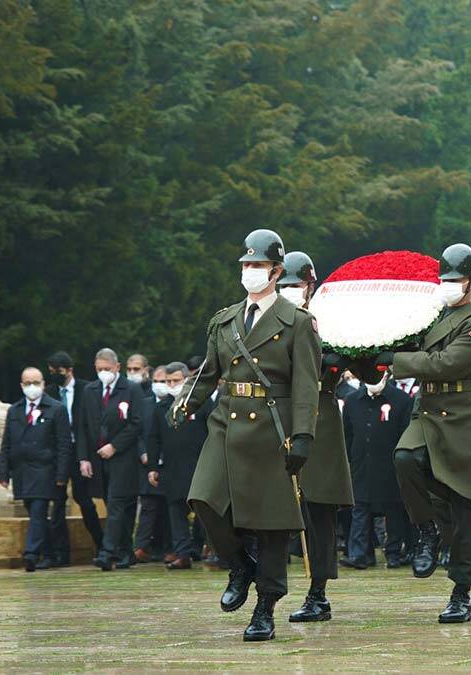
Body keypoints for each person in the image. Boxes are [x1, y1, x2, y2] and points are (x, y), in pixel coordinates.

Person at [169, 229, 322, 641]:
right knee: (203, 497)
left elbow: (308, 385)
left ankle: (266, 607)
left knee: (271, 523)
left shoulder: (298, 323)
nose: (250, 272)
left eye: (258, 265)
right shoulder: (225, 319)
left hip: (274, 426)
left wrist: (303, 435)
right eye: (246, 265)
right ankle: (239, 565)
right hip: (228, 420)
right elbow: (207, 371)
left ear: (275, 270)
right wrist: (186, 403)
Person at [390, 243, 471, 624]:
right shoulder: (431, 317)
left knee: (464, 510)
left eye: (456, 279)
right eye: (444, 279)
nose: (448, 285)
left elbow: (445, 364)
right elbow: (407, 344)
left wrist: (395, 362)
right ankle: (425, 528)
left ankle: (461, 593)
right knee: (404, 458)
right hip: (427, 411)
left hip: (462, 416)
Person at [274, 251, 356, 625]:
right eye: (285, 285)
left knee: (318, 509)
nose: (292, 291)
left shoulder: (331, 322)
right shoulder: (270, 321)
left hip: (320, 414)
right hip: (279, 414)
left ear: (311, 286)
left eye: (298, 285)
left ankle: (318, 591)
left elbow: (365, 368)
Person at [76, 347, 144, 571]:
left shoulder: (131, 389)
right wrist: (83, 458)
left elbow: (136, 423)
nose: (103, 372)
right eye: (99, 369)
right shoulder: (90, 390)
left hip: (122, 457)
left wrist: (115, 446)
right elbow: (83, 426)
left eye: (107, 368)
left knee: (116, 504)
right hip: (97, 458)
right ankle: (126, 552)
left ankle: (106, 553)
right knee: (112, 504)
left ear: (117, 367)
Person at [0, 367, 72, 571]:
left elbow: (64, 445)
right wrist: (3, 473)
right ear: (22, 385)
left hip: (44, 470)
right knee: (35, 513)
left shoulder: (56, 409)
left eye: (36, 383)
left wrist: (61, 475)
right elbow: (7, 443)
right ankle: (48, 553)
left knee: (39, 511)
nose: (32, 387)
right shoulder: (14, 410)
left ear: (43, 384)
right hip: (21, 471)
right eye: (27, 383)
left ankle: (31, 554)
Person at [341, 372, 413, 570]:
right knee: (360, 508)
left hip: (390, 464)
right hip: (361, 464)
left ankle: (393, 552)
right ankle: (359, 553)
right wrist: (352, 456)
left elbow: (405, 432)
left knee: (393, 509)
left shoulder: (401, 400)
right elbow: (347, 433)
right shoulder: (352, 400)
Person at [146, 362, 213, 569]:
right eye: (168, 381)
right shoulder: (161, 408)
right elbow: (154, 437)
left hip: (199, 466)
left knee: (205, 512)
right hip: (172, 467)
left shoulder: (202, 403)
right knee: (176, 511)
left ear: (186, 380)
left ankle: (212, 549)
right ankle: (182, 553)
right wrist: (153, 467)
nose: (172, 384)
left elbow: (212, 432)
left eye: (176, 380)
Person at [44, 351, 100, 567]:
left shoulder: (86, 389)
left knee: (84, 500)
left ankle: (101, 544)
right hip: (59, 453)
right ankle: (61, 552)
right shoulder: (49, 393)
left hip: (81, 452)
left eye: (58, 371)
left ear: (69, 370)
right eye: (51, 372)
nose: (54, 375)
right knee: (57, 504)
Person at [134, 362, 168, 564]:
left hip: (170, 463)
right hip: (148, 464)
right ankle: (141, 546)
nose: (159, 385)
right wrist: (144, 453)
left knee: (169, 508)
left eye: (163, 381)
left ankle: (168, 547)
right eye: (156, 381)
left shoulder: (177, 403)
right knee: (148, 505)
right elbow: (138, 432)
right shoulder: (145, 404)